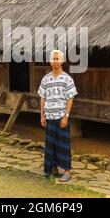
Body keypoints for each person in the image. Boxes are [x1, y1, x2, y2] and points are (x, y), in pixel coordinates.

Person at [38, 49, 78, 182]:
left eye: (57, 59)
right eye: (53, 59)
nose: (55, 61)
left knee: (64, 145)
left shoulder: (67, 79)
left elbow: (70, 98)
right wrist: (42, 115)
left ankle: (67, 171)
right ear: (50, 61)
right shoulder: (46, 79)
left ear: (62, 61)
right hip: (49, 117)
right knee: (50, 145)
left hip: (61, 117)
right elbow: (42, 97)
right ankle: (51, 170)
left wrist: (66, 116)